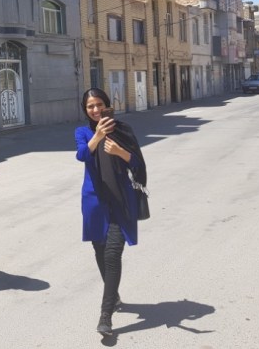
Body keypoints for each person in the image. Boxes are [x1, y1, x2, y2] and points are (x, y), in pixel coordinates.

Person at [75, 88, 147, 336]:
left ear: (107, 105)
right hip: (94, 201)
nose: (95, 110)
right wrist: (97, 136)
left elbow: (137, 163)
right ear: (85, 110)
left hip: (120, 200)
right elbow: (82, 155)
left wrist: (119, 151)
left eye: (99, 105)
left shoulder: (123, 130)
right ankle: (113, 295)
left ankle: (105, 315)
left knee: (112, 254)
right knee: (100, 251)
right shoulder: (82, 132)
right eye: (90, 106)